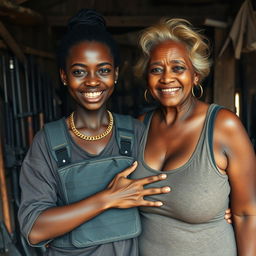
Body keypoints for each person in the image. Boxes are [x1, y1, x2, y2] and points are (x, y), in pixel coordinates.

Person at [18, 9, 171, 256]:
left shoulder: (135, 132)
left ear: (116, 74)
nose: (92, 81)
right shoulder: (47, 141)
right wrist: (107, 199)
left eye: (103, 70)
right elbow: (35, 229)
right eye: (79, 71)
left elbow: (169, 191)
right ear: (64, 76)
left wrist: (221, 210)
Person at [132, 18, 256, 255]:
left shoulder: (223, 126)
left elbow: (247, 214)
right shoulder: (139, 128)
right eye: (156, 69)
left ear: (195, 75)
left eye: (178, 68)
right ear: (147, 78)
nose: (167, 78)